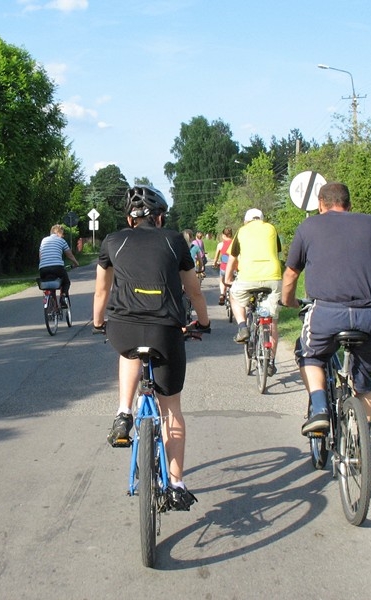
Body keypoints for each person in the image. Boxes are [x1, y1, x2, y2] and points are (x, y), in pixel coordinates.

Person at [93, 185, 210, 511]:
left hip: (124, 329)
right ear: (160, 218)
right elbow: (194, 291)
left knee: (128, 349)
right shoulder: (175, 241)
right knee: (171, 408)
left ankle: (123, 412)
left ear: (130, 220)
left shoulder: (113, 241)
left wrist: (98, 323)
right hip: (166, 332)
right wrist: (203, 322)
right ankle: (176, 484)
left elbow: (102, 291)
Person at [281, 182, 371, 436]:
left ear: (320, 205)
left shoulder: (309, 226)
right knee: (364, 379)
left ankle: (320, 409)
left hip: (327, 314)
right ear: (349, 205)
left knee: (308, 353)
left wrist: (288, 301)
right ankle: (363, 439)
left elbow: (291, 273)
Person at [224, 208, 282, 375]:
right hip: (272, 276)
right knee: (271, 320)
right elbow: (276, 252)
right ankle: (270, 362)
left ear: (245, 221)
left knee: (234, 296)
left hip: (248, 276)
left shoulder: (242, 231)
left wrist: (227, 279)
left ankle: (243, 327)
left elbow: (233, 258)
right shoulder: (271, 228)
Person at [39, 224, 80, 306]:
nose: (63, 235)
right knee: (66, 282)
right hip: (57, 267)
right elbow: (69, 255)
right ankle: (63, 297)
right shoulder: (61, 240)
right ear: (57, 232)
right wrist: (76, 263)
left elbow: (40, 255)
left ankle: (52, 305)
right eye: (62, 233)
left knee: (50, 285)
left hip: (43, 268)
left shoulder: (44, 240)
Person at [212, 227, 234, 305]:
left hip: (224, 267)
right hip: (233, 268)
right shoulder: (235, 243)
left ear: (223, 235)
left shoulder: (220, 245)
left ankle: (222, 294)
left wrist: (215, 264)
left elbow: (216, 258)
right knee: (233, 280)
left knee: (222, 280)